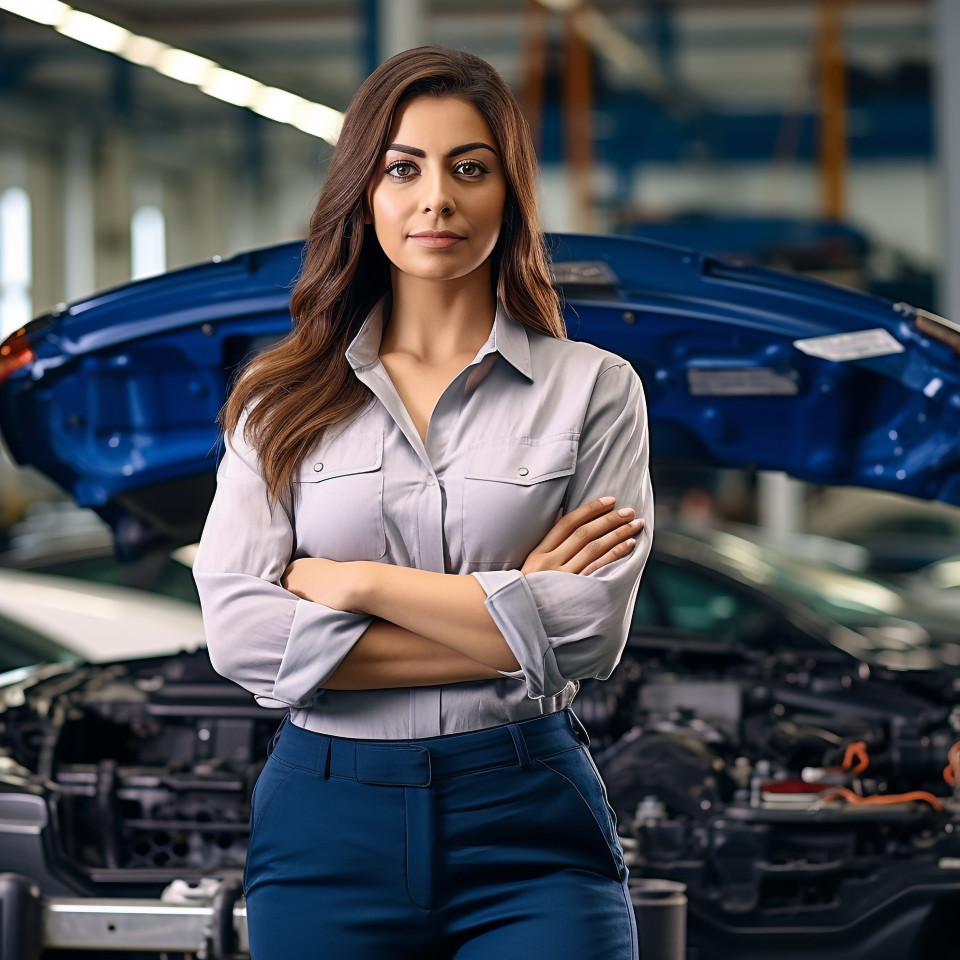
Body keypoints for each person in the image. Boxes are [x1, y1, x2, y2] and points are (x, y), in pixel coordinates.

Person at [194, 45, 653, 960]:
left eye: (468, 168)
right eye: (403, 168)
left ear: (509, 196)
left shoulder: (594, 389)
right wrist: (506, 618)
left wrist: (354, 584)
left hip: (529, 818)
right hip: (328, 820)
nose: (435, 198)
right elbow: (243, 638)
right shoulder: (275, 398)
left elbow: (588, 635)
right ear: (366, 192)